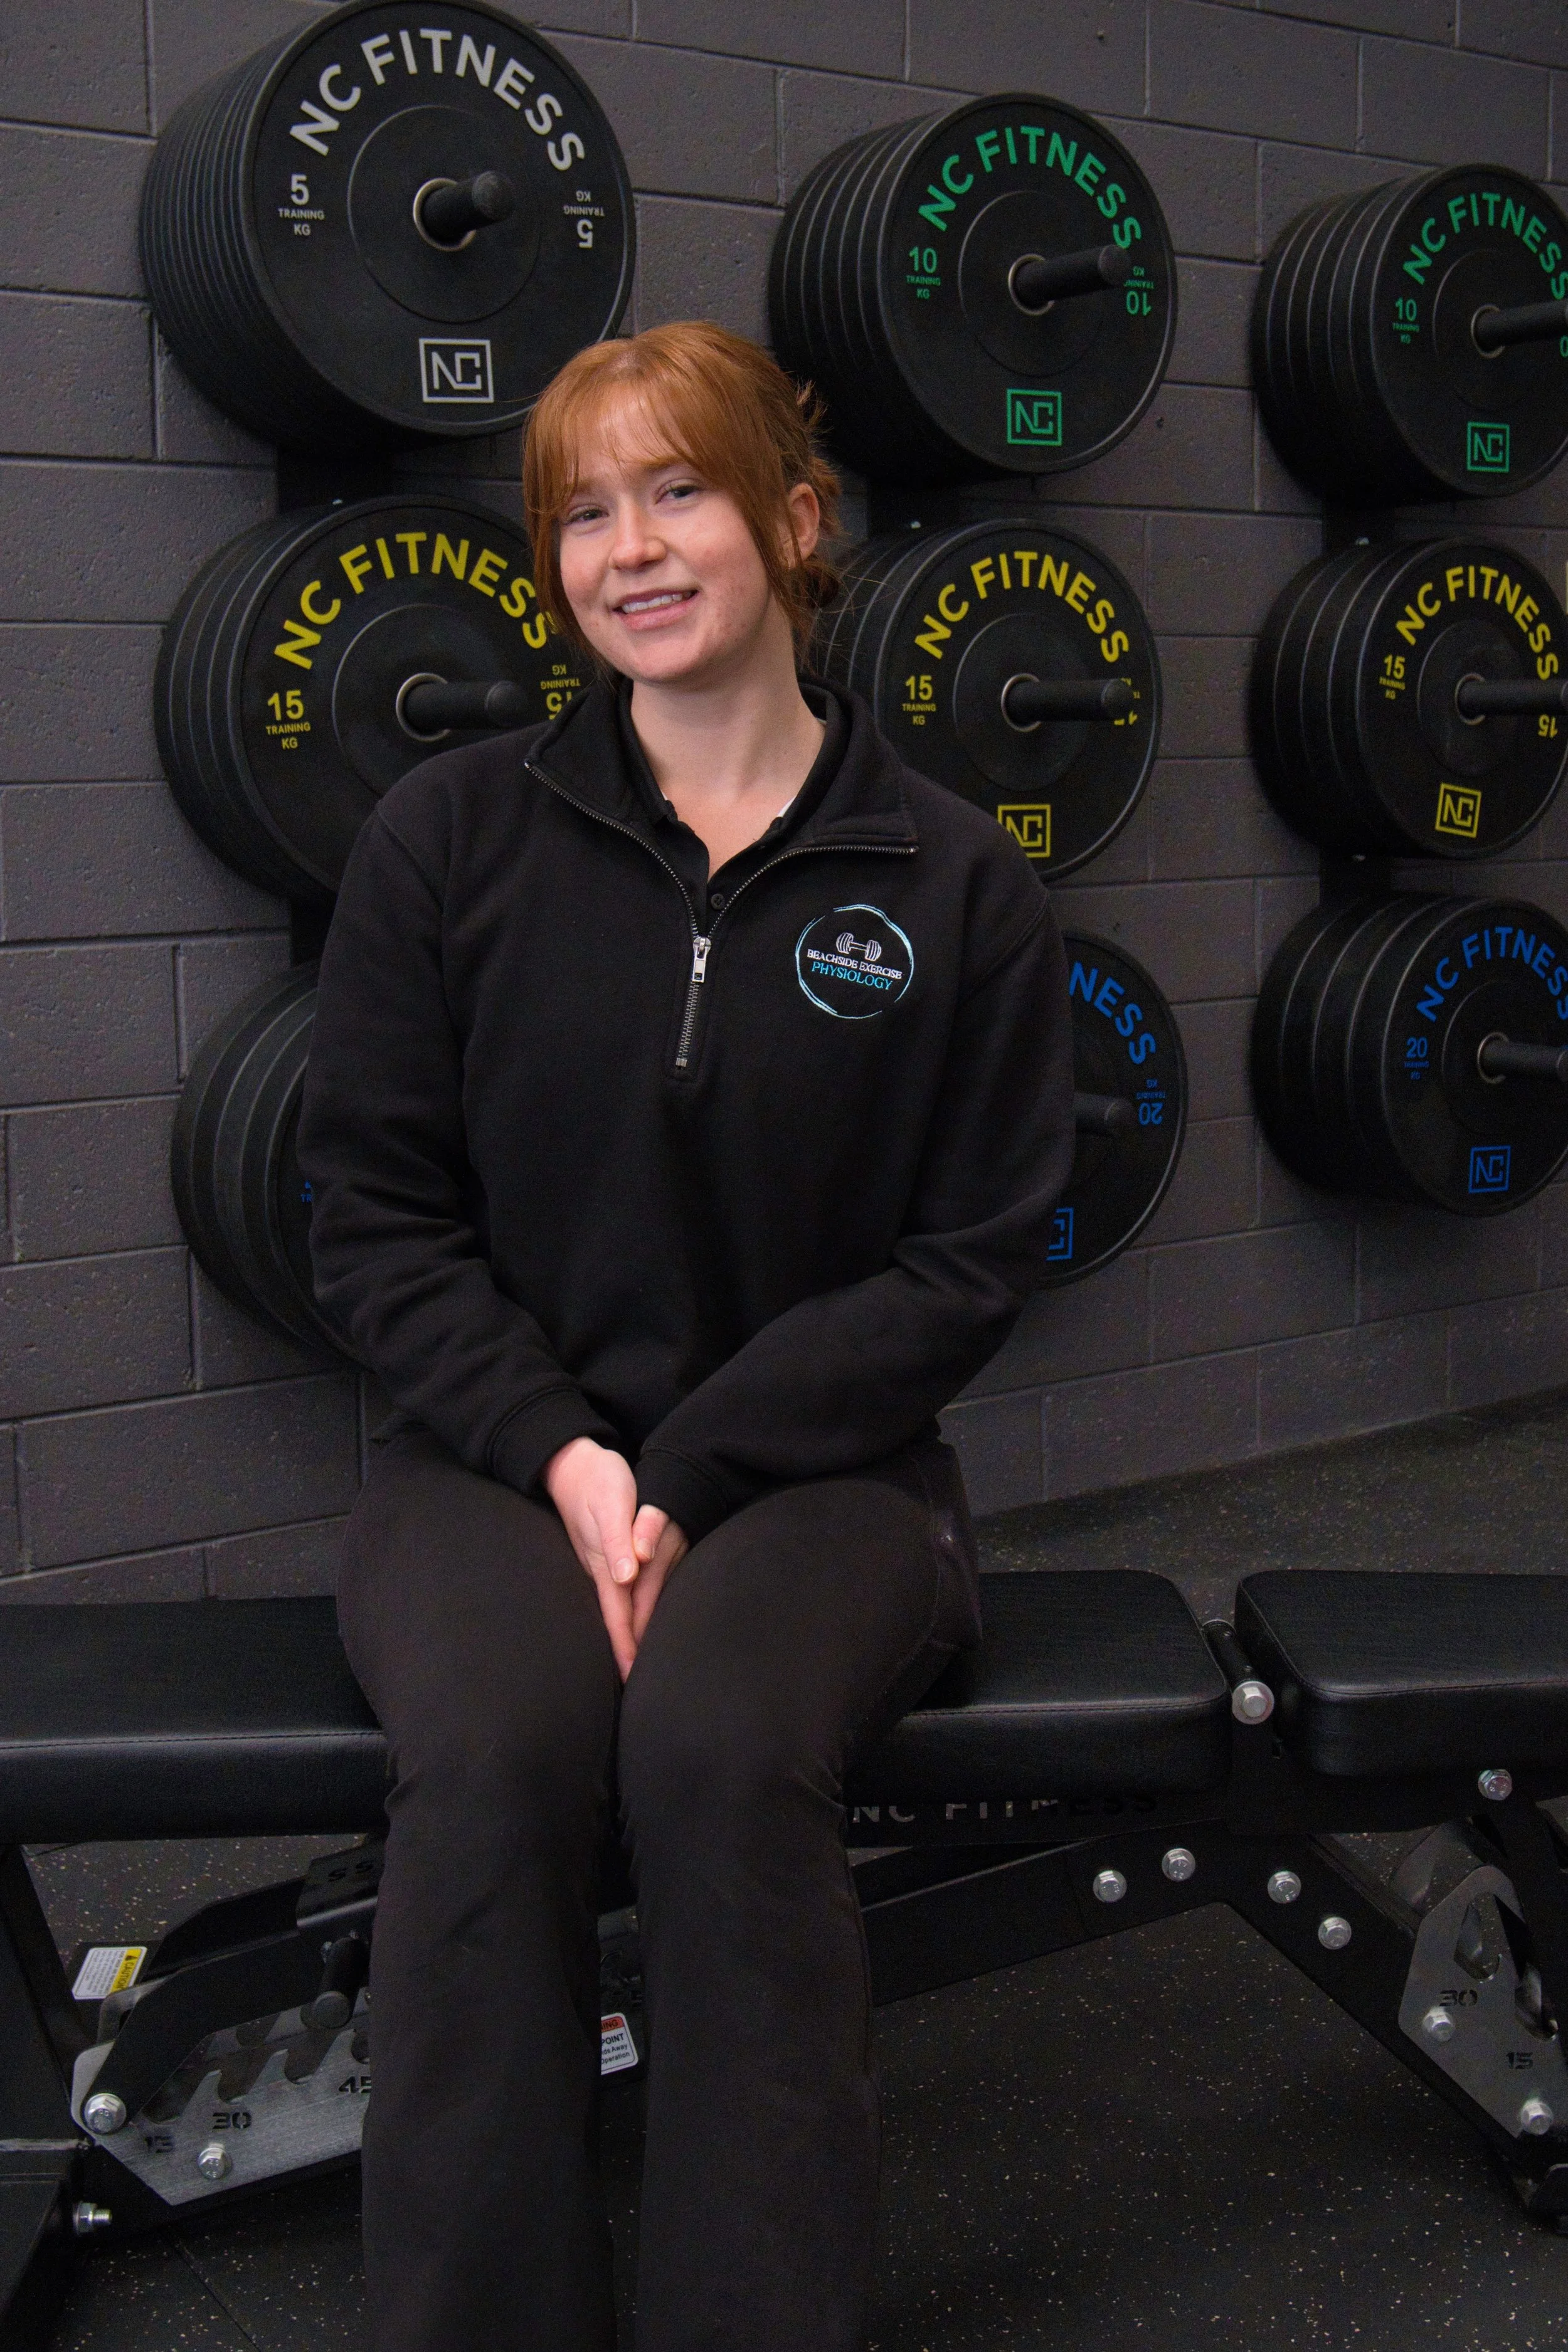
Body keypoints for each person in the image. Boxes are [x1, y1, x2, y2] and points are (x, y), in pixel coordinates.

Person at [297, 319, 1075, 2352]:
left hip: (823, 1479)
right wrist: (570, 1455)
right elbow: (372, 1223)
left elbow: (968, 1257)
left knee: (724, 1752)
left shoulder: (958, 883)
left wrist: (694, 1471)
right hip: (489, 1462)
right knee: (495, 1759)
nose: (626, 548)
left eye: (677, 490)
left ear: (794, 519)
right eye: (580, 511)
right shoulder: (446, 845)